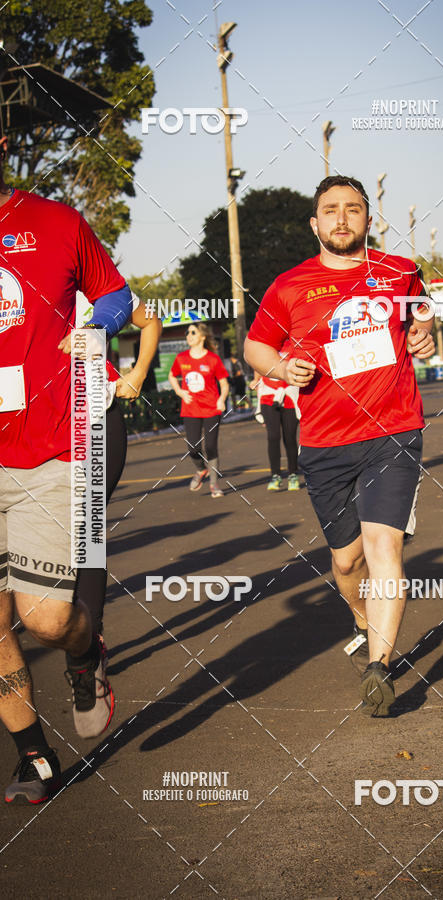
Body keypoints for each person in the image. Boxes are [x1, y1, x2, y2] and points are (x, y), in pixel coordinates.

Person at [245, 174, 435, 717]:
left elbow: (421, 315)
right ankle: (359, 616)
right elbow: (256, 346)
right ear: (315, 223)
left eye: (353, 208)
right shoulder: (289, 285)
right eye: (331, 210)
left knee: (384, 550)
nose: (342, 218)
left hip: (393, 431)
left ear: (368, 219)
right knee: (347, 563)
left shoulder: (399, 271)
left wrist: (423, 332)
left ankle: (379, 667)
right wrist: (282, 366)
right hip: (325, 441)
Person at [0, 133, 133, 803]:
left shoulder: (55, 222)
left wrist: (96, 326)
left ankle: (84, 652)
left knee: (48, 621)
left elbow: (117, 295)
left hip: (51, 442)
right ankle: (34, 756)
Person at [60, 299, 162, 665]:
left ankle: (88, 650)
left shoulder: (96, 289)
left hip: (97, 419)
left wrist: (136, 374)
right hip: (33, 426)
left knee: (87, 529)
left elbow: (150, 320)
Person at [168, 323, 229, 497]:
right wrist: (179, 391)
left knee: (210, 446)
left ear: (202, 336)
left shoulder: (213, 359)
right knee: (193, 447)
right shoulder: (181, 358)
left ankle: (214, 485)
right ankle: (201, 469)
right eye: (187, 333)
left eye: (193, 332)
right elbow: (172, 376)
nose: (188, 335)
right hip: (191, 408)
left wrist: (221, 399)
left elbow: (224, 383)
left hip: (211, 408)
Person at [250, 370, 300, 491]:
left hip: (290, 394)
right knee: (273, 436)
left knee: (290, 437)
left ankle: (293, 474)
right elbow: (258, 366)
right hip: (268, 396)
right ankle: (275, 475)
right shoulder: (265, 350)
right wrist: (255, 381)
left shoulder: (292, 350)